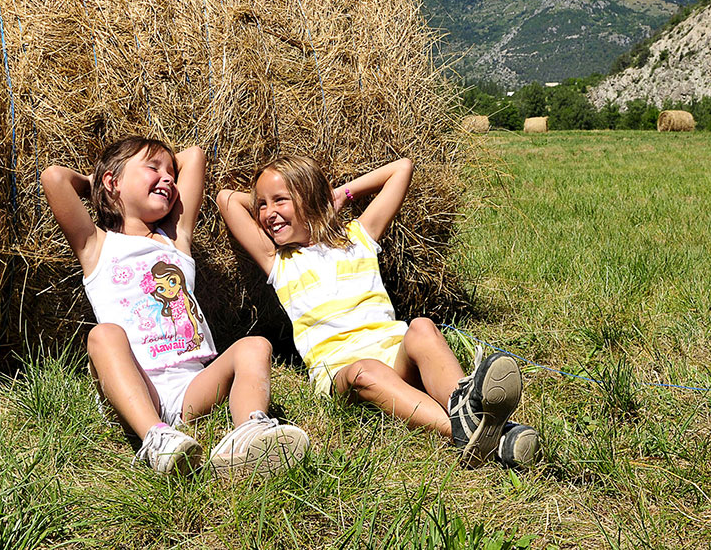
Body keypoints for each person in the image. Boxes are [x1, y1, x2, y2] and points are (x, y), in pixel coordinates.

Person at [217, 155, 538, 468]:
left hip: (396, 354)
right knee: (365, 372)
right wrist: (270, 196)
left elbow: (402, 169)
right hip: (344, 373)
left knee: (423, 327)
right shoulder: (280, 263)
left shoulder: (358, 237)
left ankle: (464, 407)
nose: (268, 213)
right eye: (262, 204)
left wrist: (335, 195)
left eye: (280, 201)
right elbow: (226, 199)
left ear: (310, 198)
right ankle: (469, 431)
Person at [41, 136, 308, 476]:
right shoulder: (95, 245)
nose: (168, 177)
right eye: (153, 168)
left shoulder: (176, 240)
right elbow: (54, 178)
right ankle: (155, 437)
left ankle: (250, 432)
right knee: (103, 335)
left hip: (191, 386)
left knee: (255, 345)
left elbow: (194, 156)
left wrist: (148, 172)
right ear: (113, 182)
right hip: (135, 387)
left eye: (170, 172)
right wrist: (99, 183)